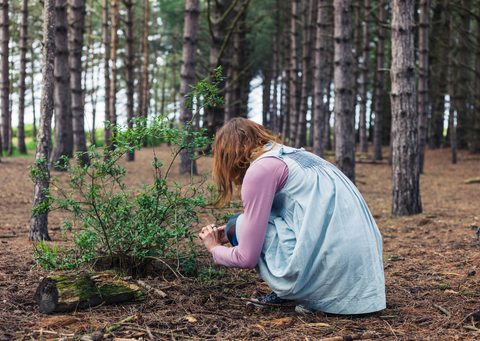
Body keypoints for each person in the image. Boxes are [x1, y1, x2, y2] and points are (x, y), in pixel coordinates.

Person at [199, 117, 385, 315]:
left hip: (333, 271)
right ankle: (301, 293)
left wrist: (214, 249)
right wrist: (230, 232)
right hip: (365, 281)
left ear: (227, 156)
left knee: (238, 224)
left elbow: (247, 258)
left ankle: (303, 294)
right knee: (234, 226)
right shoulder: (294, 156)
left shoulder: (260, 169)